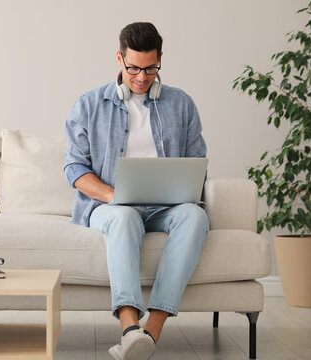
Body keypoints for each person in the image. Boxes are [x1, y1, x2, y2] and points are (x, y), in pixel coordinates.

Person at [63, 22, 209, 360]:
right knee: (126, 216)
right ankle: (129, 328)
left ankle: (151, 330)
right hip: (112, 206)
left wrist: (187, 186)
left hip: (166, 206)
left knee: (195, 215)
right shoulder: (88, 105)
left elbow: (197, 161)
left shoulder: (182, 104)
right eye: (133, 68)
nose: (142, 77)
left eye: (150, 68)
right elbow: (74, 169)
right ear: (119, 59)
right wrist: (114, 195)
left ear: (160, 61)